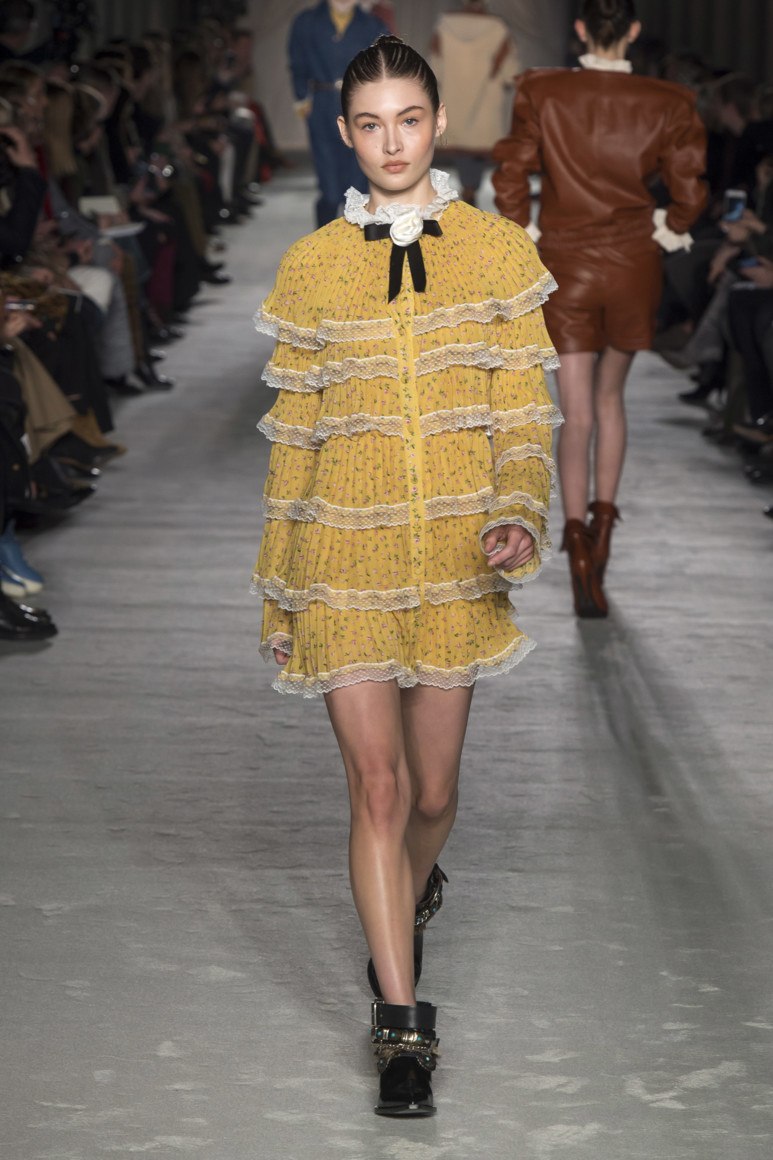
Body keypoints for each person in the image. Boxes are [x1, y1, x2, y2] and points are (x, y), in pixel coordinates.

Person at [252, 34, 559, 1116]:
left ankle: (407, 891)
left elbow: (524, 414)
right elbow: (293, 445)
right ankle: (400, 1024)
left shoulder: (496, 252)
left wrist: (517, 511)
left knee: (431, 793)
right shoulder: (311, 267)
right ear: (344, 134)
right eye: (371, 124)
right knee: (376, 788)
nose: (392, 142)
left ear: (438, 122)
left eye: (409, 120)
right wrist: (278, 590)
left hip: (452, 561)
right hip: (340, 553)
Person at [492, 0, 707, 617]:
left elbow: (513, 170)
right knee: (611, 401)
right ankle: (604, 536)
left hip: (566, 262)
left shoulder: (543, 92)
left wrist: (525, 230)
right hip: (634, 262)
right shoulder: (668, 101)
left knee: (577, 412)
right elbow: (690, 184)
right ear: (634, 31)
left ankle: (577, 544)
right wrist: (672, 226)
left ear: (581, 29)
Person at [287, 1, 389, 226]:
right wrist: (302, 98)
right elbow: (297, 62)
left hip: (362, 109)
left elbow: (385, 67)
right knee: (330, 190)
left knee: (359, 188)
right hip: (322, 106)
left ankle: (357, 245)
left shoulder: (373, 25)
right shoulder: (306, 22)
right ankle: (323, 243)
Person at [430, 0, 520, 205]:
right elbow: (510, 74)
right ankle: (471, 189)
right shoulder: (498, 28)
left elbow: (435, 68)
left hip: (454, 100)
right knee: (476, 148)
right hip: (485, 104)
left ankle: (468, 188)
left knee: (462, 147)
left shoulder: (445, 25)